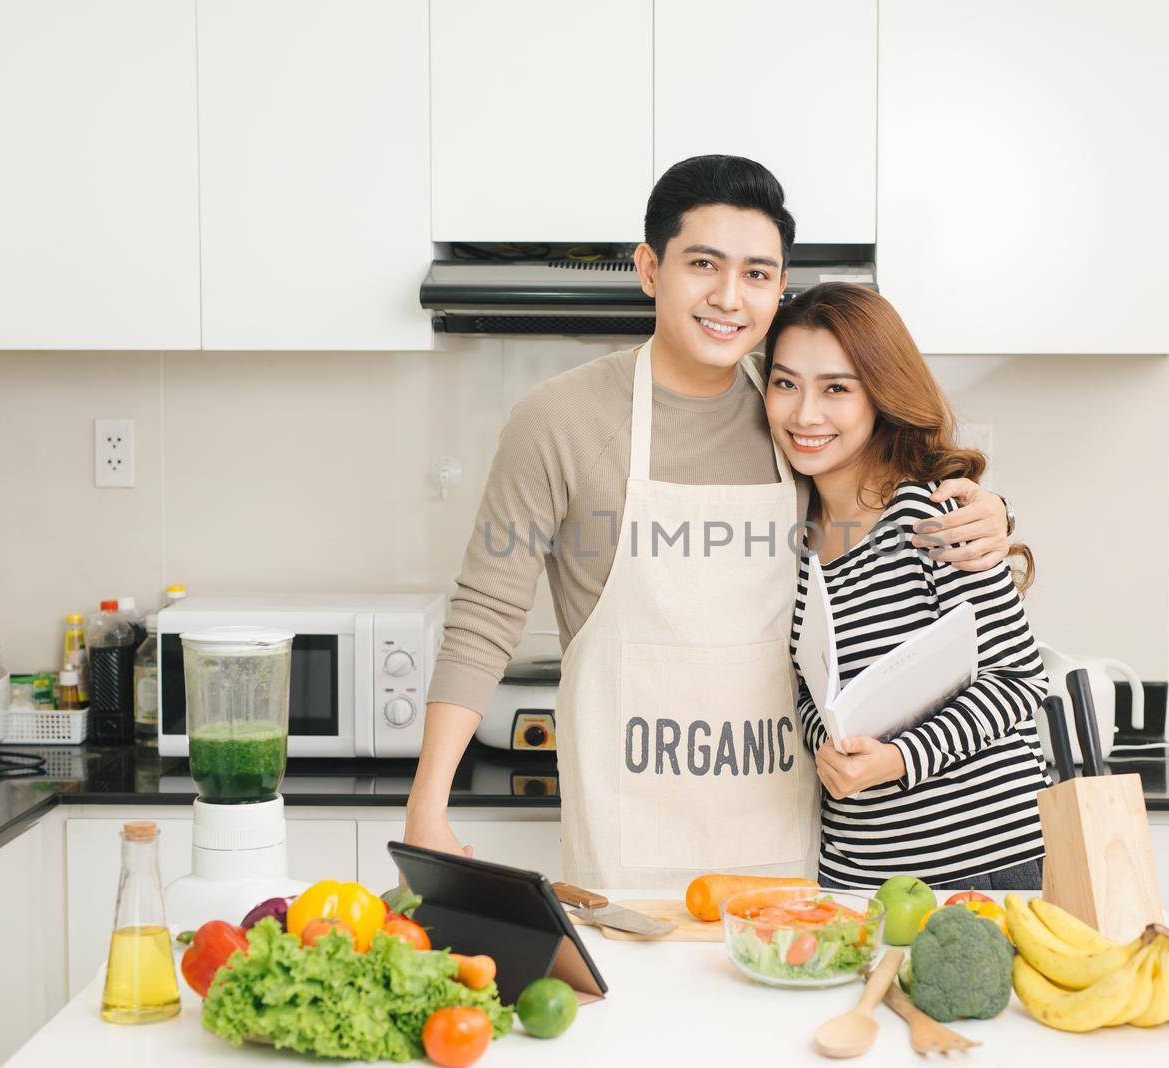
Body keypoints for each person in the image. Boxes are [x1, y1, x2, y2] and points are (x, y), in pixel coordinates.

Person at [405, 156, 1015, 889]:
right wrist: (427, 809)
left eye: (758, 274)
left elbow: (886, 491)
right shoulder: (559, 420)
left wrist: (985, 506)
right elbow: (485, 614)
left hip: (788, 842)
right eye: (704, 264)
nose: (730, 298)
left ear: (779, 286)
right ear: (650, 268)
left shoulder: (789, 417)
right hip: (630, 839)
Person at [764, 282, 1051, 892]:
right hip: (857, 875)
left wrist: (895, 761)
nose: (804, 413)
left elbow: (1018, 684)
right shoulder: (788, 537)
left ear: (882, 396)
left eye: (836, 389)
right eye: (785, 383)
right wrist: (829, 748)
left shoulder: (932, 516)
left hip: (983, 867)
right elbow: (813, 695)